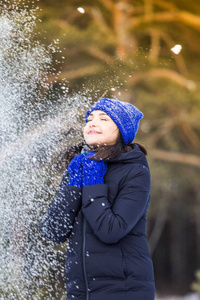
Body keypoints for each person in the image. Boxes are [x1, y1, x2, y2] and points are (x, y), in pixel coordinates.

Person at [40, 98, 155, 300]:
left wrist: (93, 182)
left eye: (104, 119)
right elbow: (53, 231)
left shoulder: (135, 171)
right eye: (90, 118)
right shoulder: (79, 168)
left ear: (121, 130)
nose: (93, 123)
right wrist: (74, 184)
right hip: (80, 291)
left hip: (123, 290)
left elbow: (111, 231)